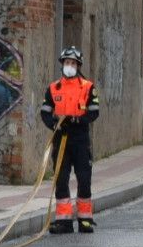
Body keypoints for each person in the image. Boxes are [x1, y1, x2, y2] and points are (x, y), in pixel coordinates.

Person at [41, 46, 101, 234]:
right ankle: (64, 221)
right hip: (61, 138)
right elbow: (45, 112)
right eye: (67, 63)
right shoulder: (53, 88)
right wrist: (54, 124)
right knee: (61, 178)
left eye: (73, 63)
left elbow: (94, 112)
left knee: (84, 177)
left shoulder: (88, 87)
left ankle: (85, 219)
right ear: (62, 65)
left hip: (80, 138)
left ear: (78, 66)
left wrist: (76, 119)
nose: (69, 66)